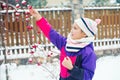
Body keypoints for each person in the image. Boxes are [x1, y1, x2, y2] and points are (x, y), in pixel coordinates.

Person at [29, 7, 101, 80]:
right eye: (72, 27)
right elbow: (51, 33)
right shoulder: (65, 43)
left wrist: (72, 68)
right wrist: (38, 17)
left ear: (84, 34)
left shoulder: (88, 52)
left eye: (75, 28)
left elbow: (88, 76)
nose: (71, 30)